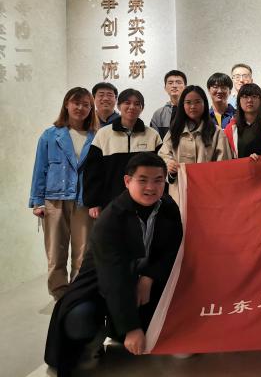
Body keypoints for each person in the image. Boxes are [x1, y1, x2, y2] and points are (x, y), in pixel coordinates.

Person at [44, 153, 183, 375]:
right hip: (100, 286)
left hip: (142, 280)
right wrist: (131, 328)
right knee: (80, 318)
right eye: (143, 180)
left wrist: (148, 278)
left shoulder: (168, 206)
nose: (151, 187)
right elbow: (112, 277)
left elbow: (170, 249)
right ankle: (97, 338)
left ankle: (120, 329)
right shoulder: (111, 218)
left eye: (158, 180)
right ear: (127, 181)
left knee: (170, 310)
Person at [29, 87, 99, 301]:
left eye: (86, 105)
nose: (80, 108)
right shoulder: (50, 135)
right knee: (55, 251)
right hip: (54, 199)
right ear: (67, 104)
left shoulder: (97, 135)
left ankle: (78, 295)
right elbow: (40, 168)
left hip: (84, 200)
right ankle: (59, 295)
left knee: (83, 252)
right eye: (76, 103)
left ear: (91, 109)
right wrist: (37, 201)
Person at [83, 89, 162, 218]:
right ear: (119, 106)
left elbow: (161, 172)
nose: (132, 107)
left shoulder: (153, 135)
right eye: (127, 103)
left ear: (142, 108)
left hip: (146, 201)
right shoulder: (103, 134)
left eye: (137, 104)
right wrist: (93, 202)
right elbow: (93, 171)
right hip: (111, 201)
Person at [158, 85, 232, 204]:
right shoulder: (174, 131)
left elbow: (224, 165)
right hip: (179, 192)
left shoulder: (216, 132)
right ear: (182, 105)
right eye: (188, 102)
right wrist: (169, 165)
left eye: (197, 102)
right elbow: (163, 156)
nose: (193, 106)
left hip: (207, 192)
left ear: (204, 104)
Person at [224, 83, 261, 158]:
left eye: (254, 96)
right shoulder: (231, 128)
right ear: (239, 101)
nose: (249, 100)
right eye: (245, 97)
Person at [150, 70, 187, 139]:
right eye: (170, 83)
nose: (174, 86)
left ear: (185, 87)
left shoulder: (191, 110)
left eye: (178, 82)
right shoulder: (158, 114)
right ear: (165, 88)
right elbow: (154, 140)